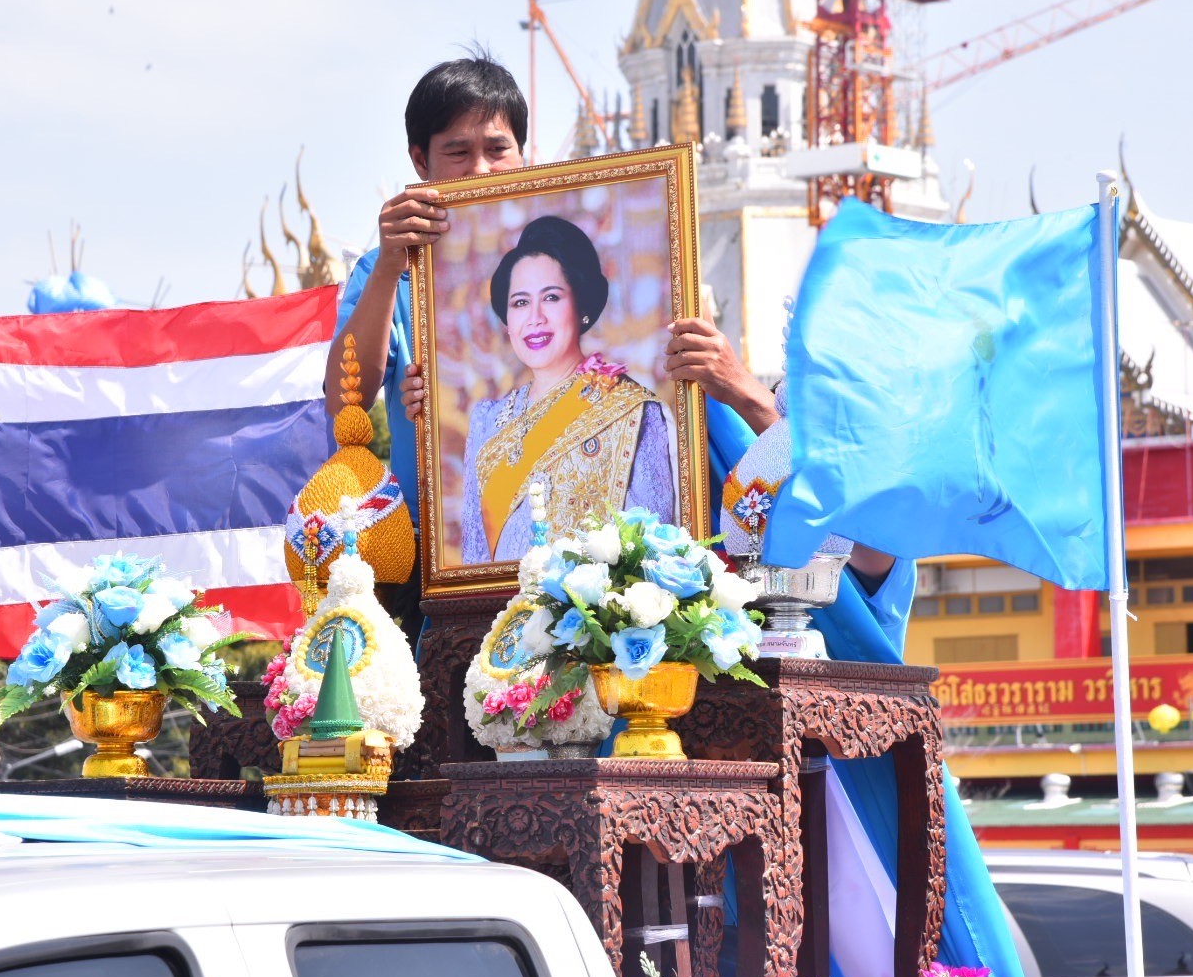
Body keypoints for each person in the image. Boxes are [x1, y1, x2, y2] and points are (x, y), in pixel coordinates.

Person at [325, 50, 894, 586]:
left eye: (497, 149)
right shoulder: (398, 279)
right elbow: (345, 404)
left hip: (614, 614)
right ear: (420, 161)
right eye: (457, 152)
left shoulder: (636, 406)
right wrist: (391, 274)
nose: (480, 170)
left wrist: (740, 391)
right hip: (452, 592)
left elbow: (664, 519)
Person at [460, 215, 672, 563]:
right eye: (520, 303)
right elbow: (474, 558)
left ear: (582, 306)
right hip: (501, 615)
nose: (535, 318)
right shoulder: (486, 420)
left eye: (552, 297)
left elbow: (651, 550)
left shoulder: (631, 410)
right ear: (507, 321)